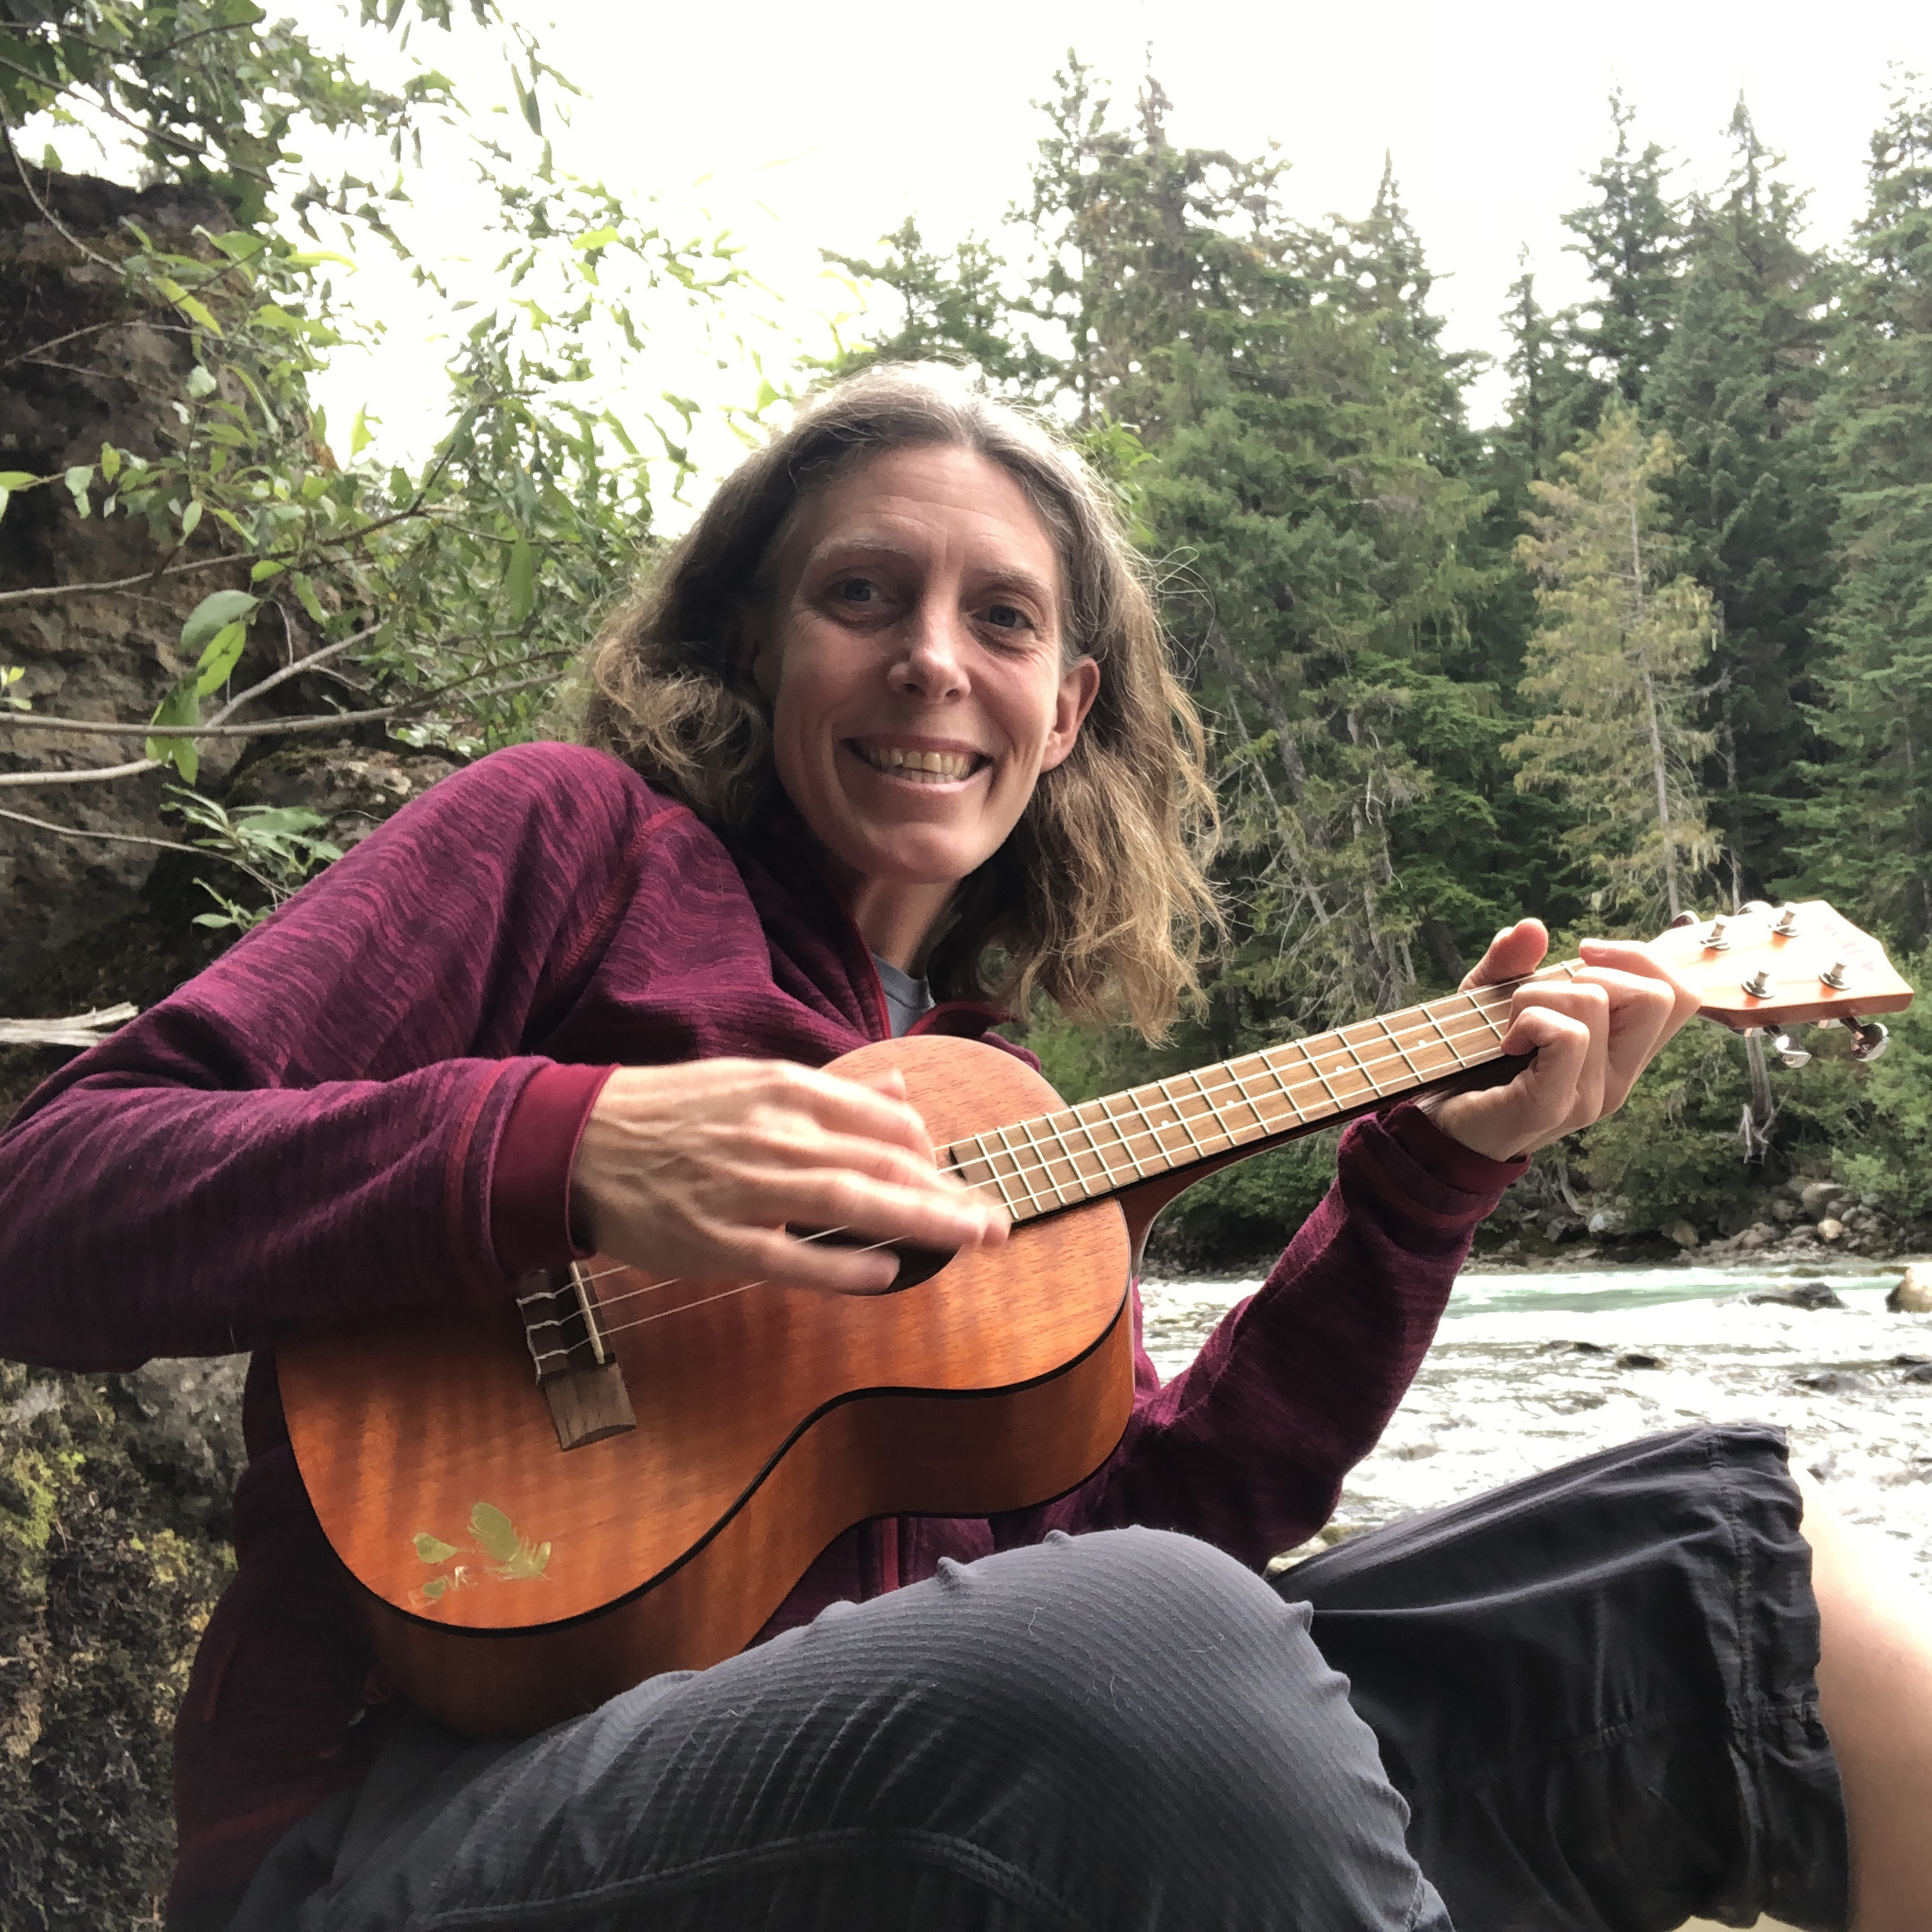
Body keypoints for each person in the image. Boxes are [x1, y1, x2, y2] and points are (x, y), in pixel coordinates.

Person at [0, 362, 1925, 1932]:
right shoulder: (567, 844)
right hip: (406, 1827)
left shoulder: (990, 1088)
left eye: (1000, 618)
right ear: (754, 644)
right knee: (1155, 1645)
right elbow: (51, 1196)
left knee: (1735, 1563)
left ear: (1062, 706)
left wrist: (1426, 1176)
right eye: (863, 595)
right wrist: (563, 1139)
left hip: (939, 1809)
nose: (934, 660)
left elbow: (1162, 1549)